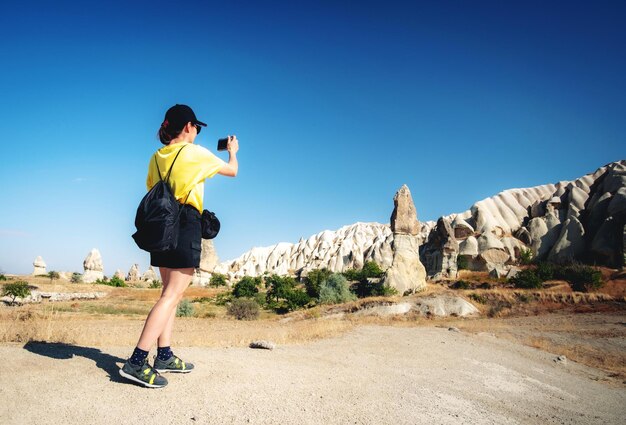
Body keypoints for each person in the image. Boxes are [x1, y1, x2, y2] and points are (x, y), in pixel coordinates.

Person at [119, 104, 239, 388]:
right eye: (196, 126)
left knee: (168, 294)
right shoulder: (195, 153)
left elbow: (154, 187)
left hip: (160, 223)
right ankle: (136, 361)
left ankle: (165, 355)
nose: (197, 131)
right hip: (184, 222)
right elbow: (232, 171)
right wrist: (233, 151)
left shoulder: (156, 156)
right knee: (172, 295)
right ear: (188, 127)